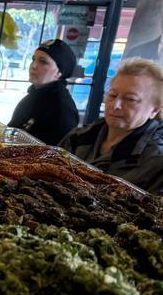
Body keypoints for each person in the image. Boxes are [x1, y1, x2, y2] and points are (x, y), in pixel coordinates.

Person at [60, 57, 163, 194]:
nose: (116, 105)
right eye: (113, 95)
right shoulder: (78, 137)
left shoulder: (156, 162)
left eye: (130, 99)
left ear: (155, 110)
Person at [8, 39, 79, 145]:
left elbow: (57, 152)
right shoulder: (32, 97)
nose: (33, 66)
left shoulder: (62, 109)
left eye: (43, 62)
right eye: (33, 59)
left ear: (59, 72)